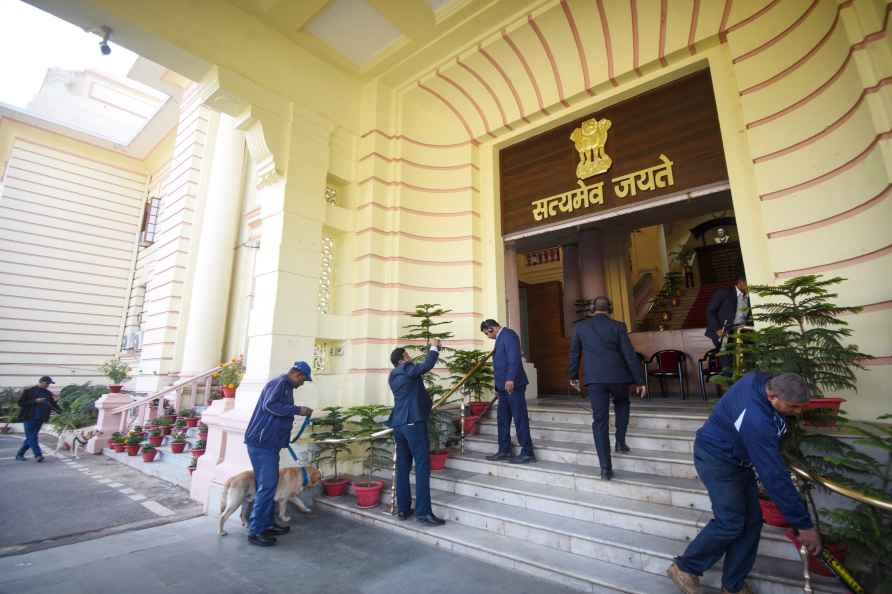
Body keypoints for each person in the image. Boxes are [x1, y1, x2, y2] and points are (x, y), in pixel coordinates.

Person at [666, 372, 821, 594]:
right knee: (730, 521)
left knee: (752, 522)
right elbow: (774, 476)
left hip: (739, 460)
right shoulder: (756, 419)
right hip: (716, 459)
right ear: (772, 396)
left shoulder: (764, 380)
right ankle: (685, 567)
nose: (797, 412)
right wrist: (803, 524)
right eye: (793, 406)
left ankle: (733, 586)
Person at [568, 297, 646, 480]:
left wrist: (573, 376)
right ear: (610, 309)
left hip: (595, 380)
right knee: (622, 403)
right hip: (619, 377)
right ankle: (620, 441)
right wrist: (640, 380)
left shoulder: (581, 327)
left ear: (592, 308)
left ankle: (605, 469)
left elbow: (574, 353)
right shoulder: (618, 326)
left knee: (599, 421)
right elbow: (629, 354)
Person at [243, 361, 314, 547]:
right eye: (303, 380)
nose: (303, 384)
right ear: (297, 374)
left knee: (267, 485)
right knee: (267, 486)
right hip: (262, 444)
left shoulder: (286, 386)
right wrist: (298, 410)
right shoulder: (281, 383)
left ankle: (267, 524)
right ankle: (256, 531)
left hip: (267, 444)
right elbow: (270, 406)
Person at [387, 340, 446, 526]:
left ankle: (404, 509)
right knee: (422, 466)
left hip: (399, 424)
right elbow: (427, 365)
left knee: (403, 466)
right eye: (408, 355)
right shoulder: (407, 368)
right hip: (413, 423)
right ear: (403, 358)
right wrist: (434, 348)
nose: (411, 357)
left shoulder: (392, 375)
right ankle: (423, 513)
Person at [480, 319, 535, 464]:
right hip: (503, 388)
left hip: (513, 386)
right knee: (502, 419)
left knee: (519, 418)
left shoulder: (508, 335)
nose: (488, 336)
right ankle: (504, 450)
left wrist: (510, 379)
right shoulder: (500, 338)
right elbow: (500, 365)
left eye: (488, 333)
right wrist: (498, 387)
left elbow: (514, 358)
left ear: (493, 328)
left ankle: (527, 452)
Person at [16, 376, 61, 463]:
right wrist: (35, 401)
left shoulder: (47, 393)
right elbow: (20, 403)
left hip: (41, 418)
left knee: (30, 437)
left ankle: (20, 454)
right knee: (32, 437)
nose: (48, 385)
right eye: (47, 383)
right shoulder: (29, 391)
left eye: (49, 384)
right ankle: (38, 455)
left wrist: (61, 412)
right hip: (29, 418)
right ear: (41, 382)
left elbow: (53, 405)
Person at [705, 274, 751, 352]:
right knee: (727, 359)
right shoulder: (724, 292)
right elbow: (711, 311)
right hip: (723, 333)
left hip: (741, 333)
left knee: (742, 360)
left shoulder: (748, 297)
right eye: (749, 282)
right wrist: (717, 329)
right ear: (741, 282)